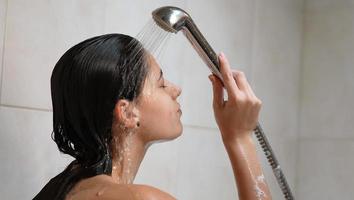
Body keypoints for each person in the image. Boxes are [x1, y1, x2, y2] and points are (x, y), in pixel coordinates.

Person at [33, 33, 271, 200]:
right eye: (161, 83)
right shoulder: (141, 198)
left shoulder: (62, 188)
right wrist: (239, 138)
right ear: (127, 112)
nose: (176, 89)